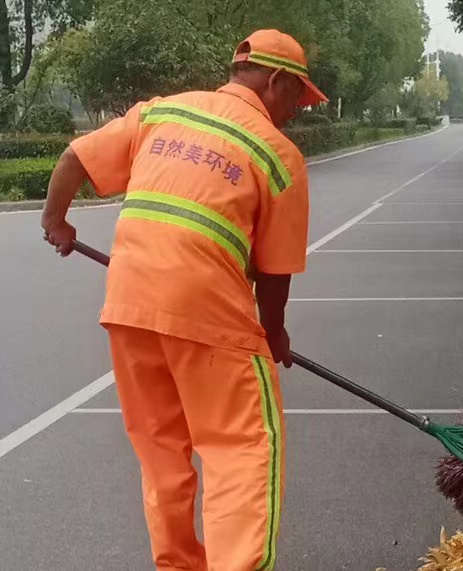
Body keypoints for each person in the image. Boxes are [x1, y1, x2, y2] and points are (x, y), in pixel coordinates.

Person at [41, 29, 327, 571]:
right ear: (276, 81)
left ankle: (177, 565)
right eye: (297, 98)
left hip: (129, 309)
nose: (296, 112)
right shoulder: (277, 154)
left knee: (162, 455)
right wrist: (274, 334)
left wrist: (56, 220)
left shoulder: (163, 113)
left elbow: (76, 155)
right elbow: (273, 273)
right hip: (210, 318)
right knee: (242, 450)